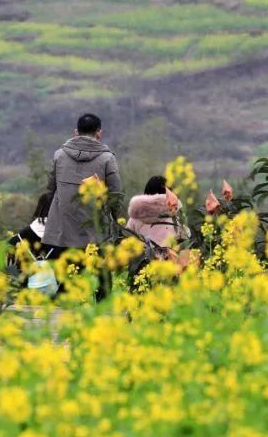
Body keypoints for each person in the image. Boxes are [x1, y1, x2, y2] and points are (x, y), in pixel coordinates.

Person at [41, 113, 122, 300]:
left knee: (64, 288)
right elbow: (115, 194)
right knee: (102, 288)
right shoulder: (107, 159)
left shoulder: (59, 155)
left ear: (76, 132)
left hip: (61, 231)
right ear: (99, 133)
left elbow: (50, 189)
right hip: (95, 231)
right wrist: (115, 221)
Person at [125, 175, 190, 249]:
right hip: (169, 259)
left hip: (143, 259)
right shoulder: (176, 217)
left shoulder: (135, 218)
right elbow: (186, 240)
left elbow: (126, 242)